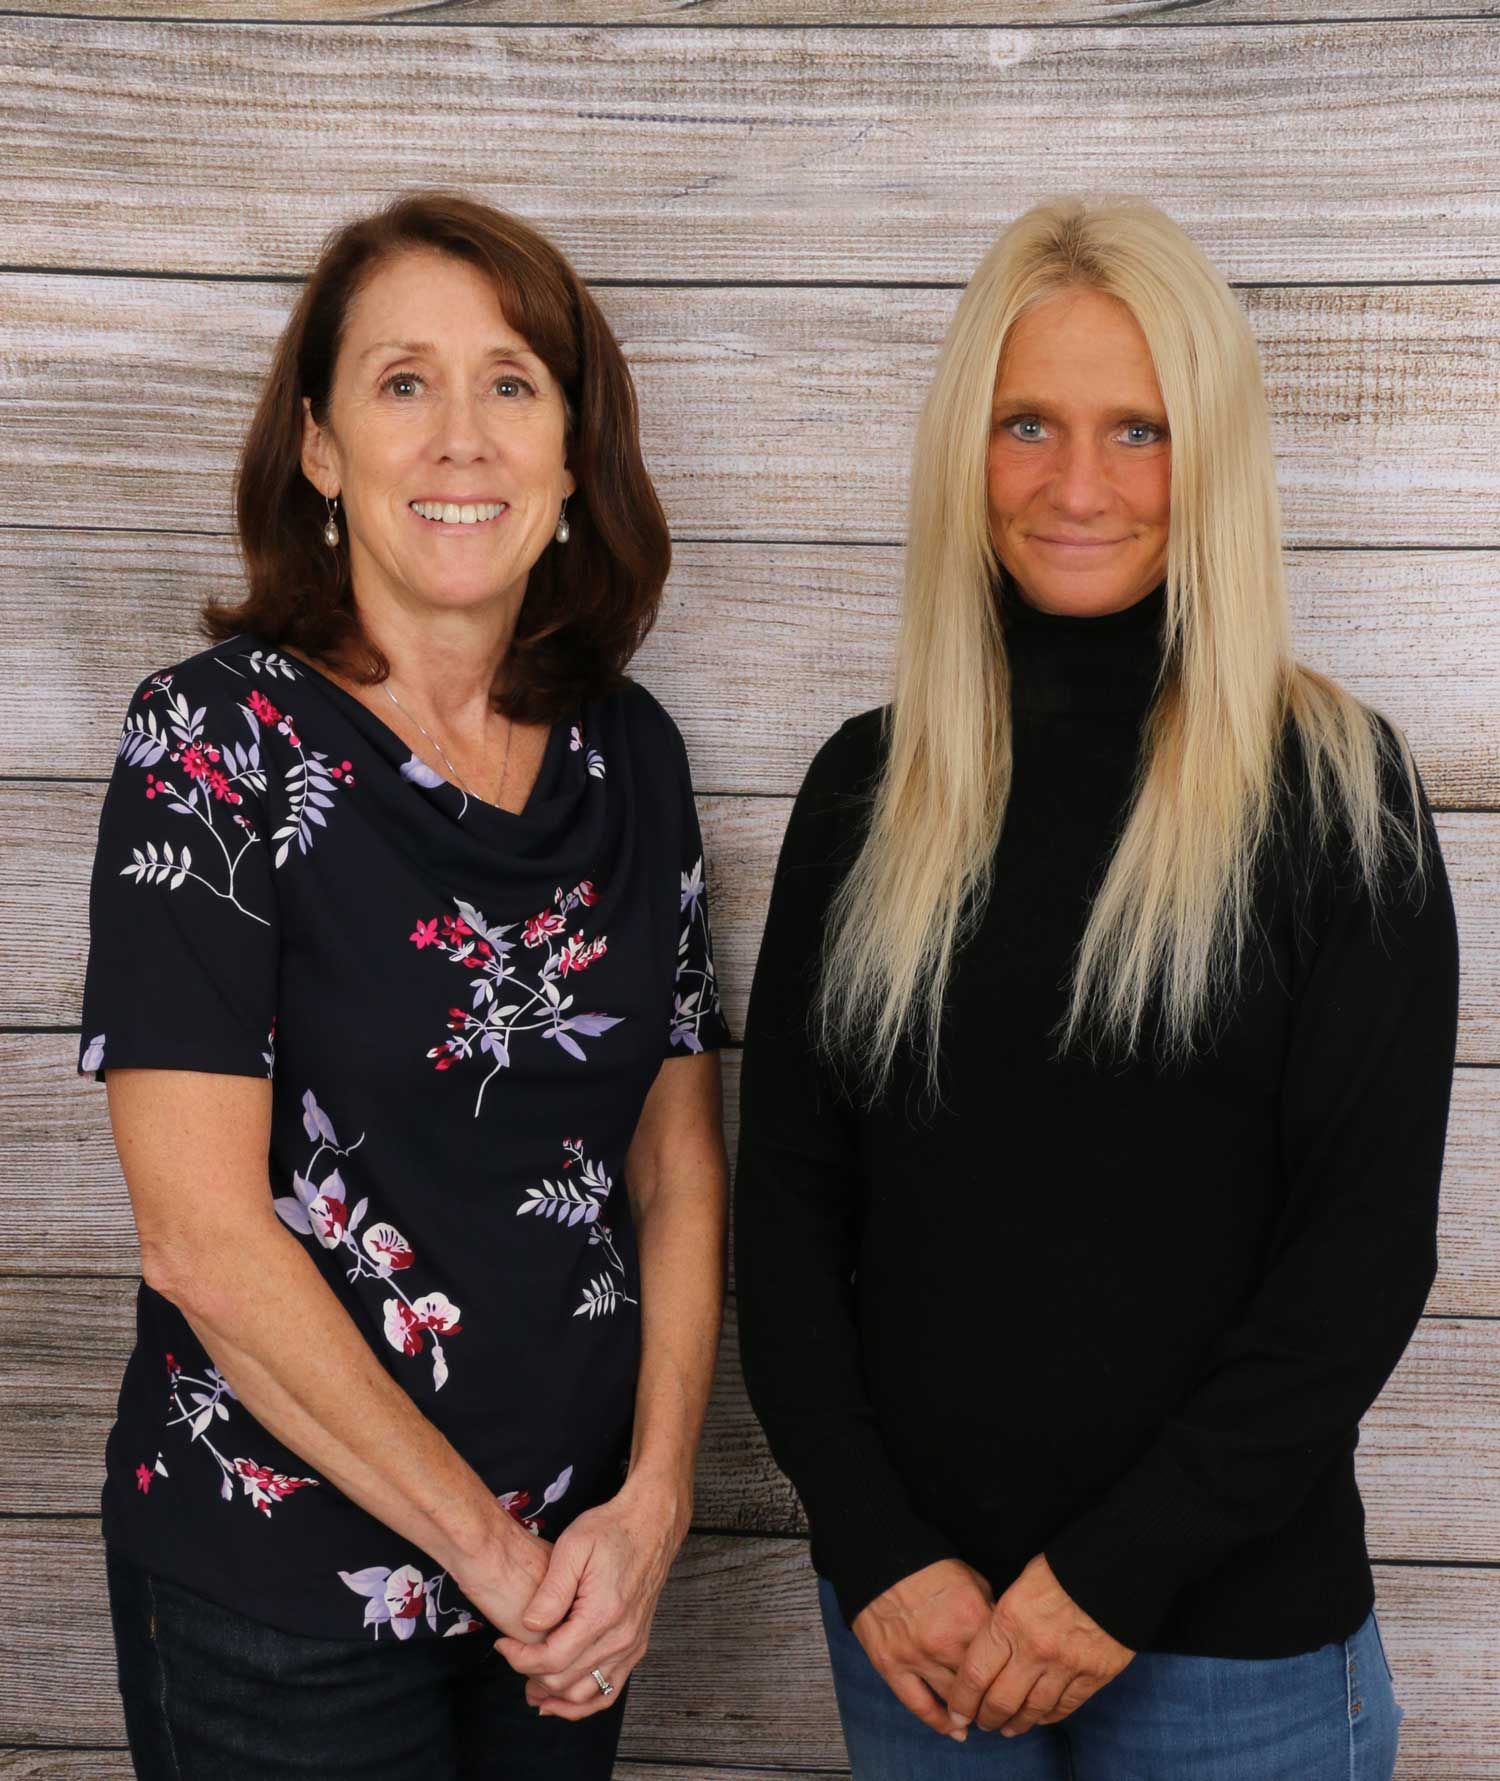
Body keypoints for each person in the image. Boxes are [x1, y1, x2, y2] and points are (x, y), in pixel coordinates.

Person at [734, 197, 1458, 1781]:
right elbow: (785, 1215)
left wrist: (1108, 1580)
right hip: (922, 1644)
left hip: (1238, 1658)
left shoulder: (1338, 795)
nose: (1079, 485)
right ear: (964, 451)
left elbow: (1358, 1257)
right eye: (1029, 425)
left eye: (1139, 430)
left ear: (1211, 457)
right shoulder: (865, 791)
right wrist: (876, 1547)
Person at [78, 190, 730, 1780]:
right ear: (319, 447)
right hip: (281, 1602)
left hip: (577, 1598)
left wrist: (651, 1509)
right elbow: (206, 1245)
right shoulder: (213, 747)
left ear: (575, 454)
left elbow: (678, 1159)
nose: (461, 439)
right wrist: (499, 1566)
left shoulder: (631, 760)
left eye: (511, 382)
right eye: (401, 382)